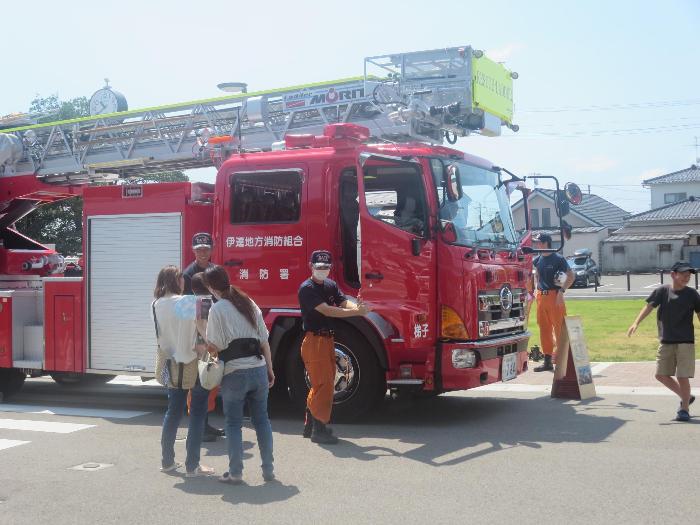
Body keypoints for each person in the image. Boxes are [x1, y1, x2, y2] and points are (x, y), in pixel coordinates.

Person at [203, 265, 275, 484]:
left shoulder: (218, 309)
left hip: (235, 373)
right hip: (259, 369)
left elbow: (215, 345)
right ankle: (268, 470)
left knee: (233, 423)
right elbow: (264, 341)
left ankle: (235, 472)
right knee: (262, 420)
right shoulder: (249, 303)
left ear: (211, 288)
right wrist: (270, 370)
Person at [298, 250, 369, 444]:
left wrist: (357, 307)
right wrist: (357, 313)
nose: (322, 270)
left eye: (326, 267)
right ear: (310, 266)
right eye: (319, 267)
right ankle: (318, 430)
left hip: (327, 340)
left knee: (322, 383)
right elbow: (328, 310)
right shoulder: (307, 288)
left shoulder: (330, 285)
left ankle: (311, 425)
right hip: (314, 341)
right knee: (324, 385)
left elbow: (342, 300)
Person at [152, 265, 214, 477]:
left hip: (171, 364)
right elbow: (204, 325)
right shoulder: (188, 302)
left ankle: (167, 461)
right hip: (193, 362)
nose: (183, 281)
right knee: (197, 413)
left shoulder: (156, 304)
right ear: (175, 280)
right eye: (180, 277)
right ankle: (192, 465)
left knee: (173, 412)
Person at [627, 261, 698, 422]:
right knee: (660, 374)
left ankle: (684, 408)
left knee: (682, 376)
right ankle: (686, 396)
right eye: (684, 274)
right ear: (673, 274)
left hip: (685, 341)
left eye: (689, 275)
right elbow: (648, 307)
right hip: (666, 340)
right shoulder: (662, 291)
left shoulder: (692, 294)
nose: (687, 277)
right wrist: (636, 323)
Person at [182, 232, 222, 442]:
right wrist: (201, 337)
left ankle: (205, 422)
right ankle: (198, 425)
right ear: (193, 250)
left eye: (206, 248)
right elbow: (189, 309)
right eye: (199, 249)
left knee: (211, 379)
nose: (203, 252)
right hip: (199, 334)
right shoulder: (188, 274)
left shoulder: (215, 271)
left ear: (212, 249)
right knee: (199, 380)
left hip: (213, 330)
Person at [532, 233, 574, 372]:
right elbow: (537, 276)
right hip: (541, 297)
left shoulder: (558, 259)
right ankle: (547, 360)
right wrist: (535, 290)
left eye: (538, 242)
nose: (536, 244)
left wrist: (561, 291)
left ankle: (564, 359)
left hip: (554, 296)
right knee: (544, 329)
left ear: (545, 243)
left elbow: (571, 276)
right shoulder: (537, 260)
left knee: (559, 328)